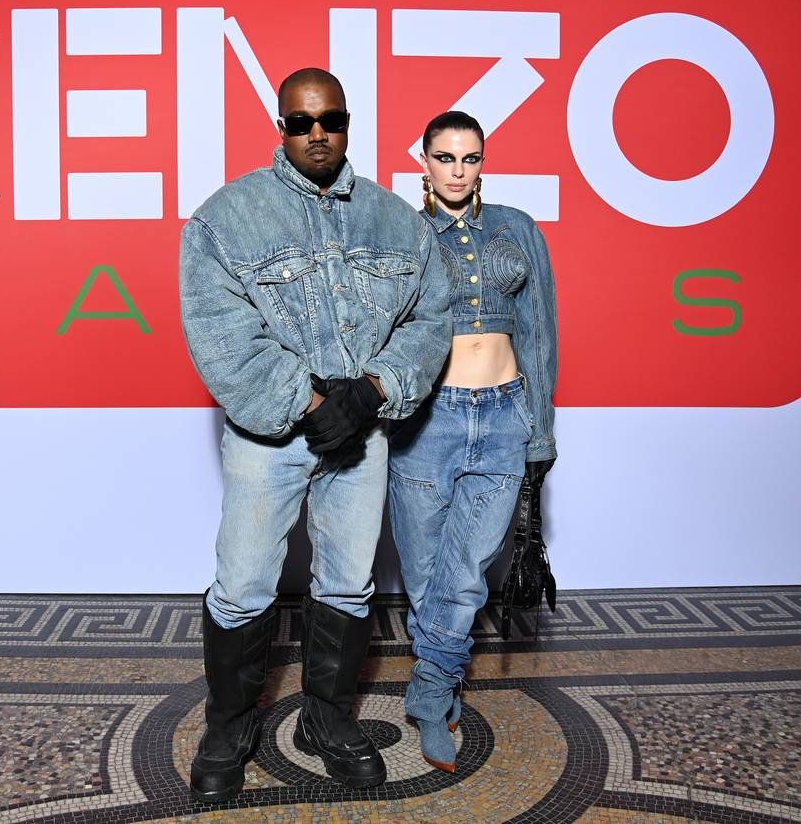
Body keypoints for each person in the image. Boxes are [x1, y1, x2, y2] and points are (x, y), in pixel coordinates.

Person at [178, 68, 451, 803]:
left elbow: (431, 321)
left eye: (330, 119)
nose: (317, 134)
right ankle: (229, 727)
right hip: (268, 439)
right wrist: (308, 402)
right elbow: (221, 335)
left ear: (348, 123)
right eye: (300, 123)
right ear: (281, 127)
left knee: (350, 582)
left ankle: (327, 721)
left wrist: (371, 391)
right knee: (243, 584)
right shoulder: (224, 219)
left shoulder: (398, 220)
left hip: (363, 431)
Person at [387, 110, 558, 773]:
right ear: (423, 161)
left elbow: (539, 331)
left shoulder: (517, 227)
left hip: (504, 414)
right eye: (445, 157)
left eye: (470, 158)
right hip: (427, 421)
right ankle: (443, 677)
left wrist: (540, 429)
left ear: (482, 162)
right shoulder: (403, 233)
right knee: (427, 572)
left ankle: (430, 694)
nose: (457, 171)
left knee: (465, 572)